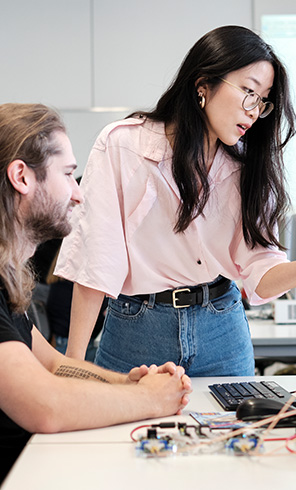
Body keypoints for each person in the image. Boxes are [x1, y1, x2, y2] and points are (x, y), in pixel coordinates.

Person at [55, 25, 296, 377]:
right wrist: (72, 366)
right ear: (203, 85)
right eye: (249, 92)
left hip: (221, 329)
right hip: (137, 329)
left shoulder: (248, 166)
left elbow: (261, 279)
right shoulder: (123, 145)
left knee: (236, 430)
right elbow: (97, 263)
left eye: (263, 100)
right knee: (120, 430)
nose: (254, 110)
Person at [0, 103, 192, 483]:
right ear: (21, 176)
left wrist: (130, 383)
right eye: (69, 176)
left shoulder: (7, 280)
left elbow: (52, 365)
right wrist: (150, 399)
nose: (78, 194)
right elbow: (45, 404)